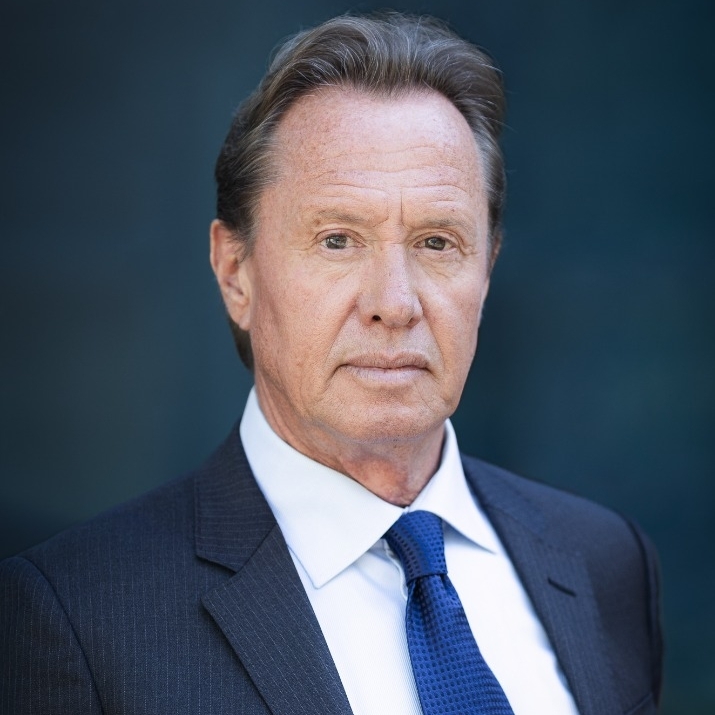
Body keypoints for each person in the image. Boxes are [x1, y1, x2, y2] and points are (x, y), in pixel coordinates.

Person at [0, 12, 662, 715]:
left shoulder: (605, 561)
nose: (394, 304)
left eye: (437, 243)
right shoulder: (77, 620)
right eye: (338, 240)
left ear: (487, 269)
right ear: (235, 272)